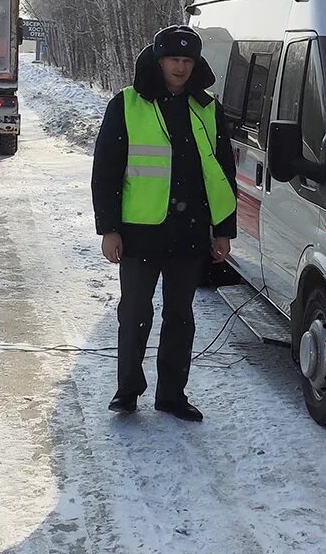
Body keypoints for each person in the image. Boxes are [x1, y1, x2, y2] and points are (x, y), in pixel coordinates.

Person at [91, 25, 237, 422]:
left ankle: (172, 395)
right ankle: (127, 392)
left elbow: (222, 171)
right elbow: (106, 170)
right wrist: (109, 228)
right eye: (174, 59)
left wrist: (223, 230)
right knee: (135, 312)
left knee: (181, 315)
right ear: (159, 61)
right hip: (140, 230)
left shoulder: (207, 108)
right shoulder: (127, 104)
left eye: (188, 60)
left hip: (189, 231)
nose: (181, 67)